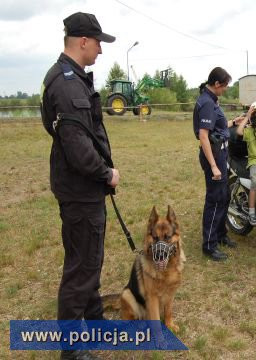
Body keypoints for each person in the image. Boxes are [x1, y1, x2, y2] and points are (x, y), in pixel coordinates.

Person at [40, 12, 118, 360]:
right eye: (99, 42)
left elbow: (55, 128)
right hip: (81, 189)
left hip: (80, 190)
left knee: (89, 260)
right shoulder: (68, 83)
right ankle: (72, 350)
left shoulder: (61, 77)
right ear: (83, 41)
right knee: (80, 269)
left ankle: (95, 320)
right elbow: (78, 148)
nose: (101, 50)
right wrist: (107, 174)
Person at [193, 67, 237, 262]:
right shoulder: (207, 103)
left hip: (221, 152)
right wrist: (213, 166)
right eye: (225, 85)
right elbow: (203, 136)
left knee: (224, 196)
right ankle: (209, 245)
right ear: (217, 84)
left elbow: (216, 127)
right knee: (215, 199)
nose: (226, 89)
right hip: (214, 156)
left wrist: (233, 122)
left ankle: (220, 234)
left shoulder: (211, 100)